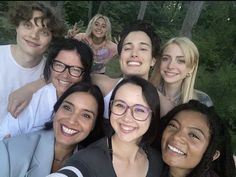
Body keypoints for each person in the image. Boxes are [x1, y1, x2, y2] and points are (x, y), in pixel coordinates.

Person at [8, 20, 161, 122]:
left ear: (153, 59)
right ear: (120, 55)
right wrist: (29, 88)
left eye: (142, 48)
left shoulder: (162, 105)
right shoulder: (102, 84)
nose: (134, 53)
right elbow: (68, 75)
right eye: (128, 48)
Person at [47, 76, 163, 177]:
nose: (127, 118)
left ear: (152, 116)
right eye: (120, 105)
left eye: (139, 110)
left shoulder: (157, 161)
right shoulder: (87, 160)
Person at [0, 82, 105, 177]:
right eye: (67, 108)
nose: (72, 120)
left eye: (86, 115)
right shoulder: (9, 152)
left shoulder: (91, 164)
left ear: (93, 125)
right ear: (56, 110)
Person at [0, 38, 94, 139]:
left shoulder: (89, 100)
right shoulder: (34, 102)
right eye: (59, 65)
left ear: (84, 74)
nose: (65, 75)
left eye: (75, 69)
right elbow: (4, 136)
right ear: (50, 65)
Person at [0, 2, 66, 124]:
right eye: (28, 25)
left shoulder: (52, 73)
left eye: (44, 32)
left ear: (52, 38)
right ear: (17, 26)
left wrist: (31, 88)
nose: (34, 35)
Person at [159, 100, 235, 177]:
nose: (176, 137)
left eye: (193, 135)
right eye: (173, 125)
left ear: (213, 154)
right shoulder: (152, 164)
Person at [150, 37, 213, 117]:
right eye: (166, 59)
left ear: (191, 68)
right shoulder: (146, 94)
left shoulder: (202, 101)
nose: (170, 66)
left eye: (180, 61)